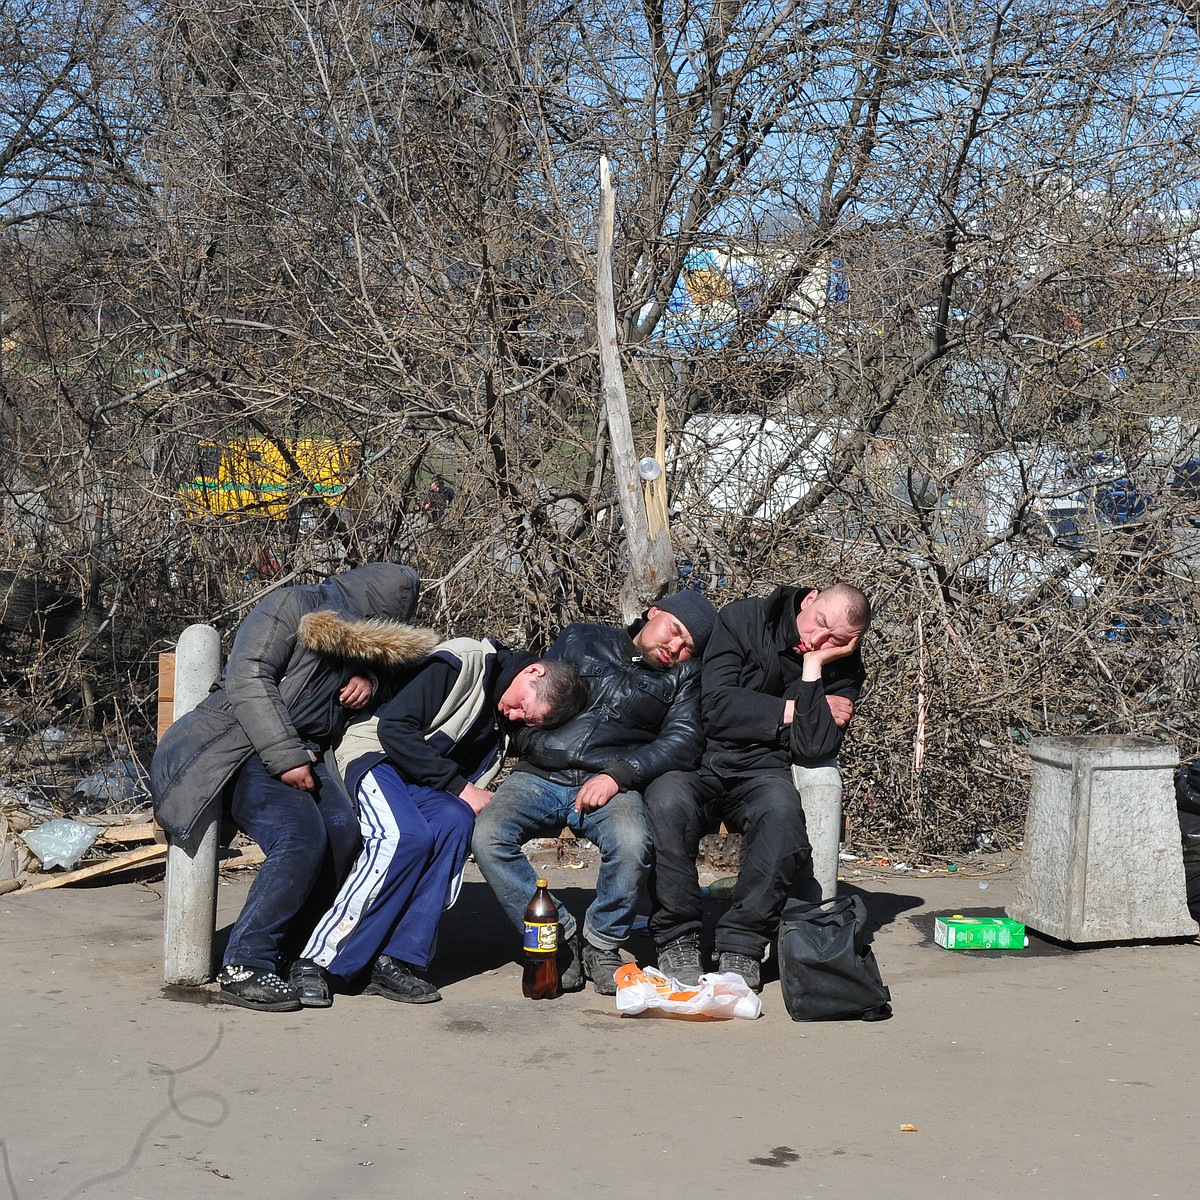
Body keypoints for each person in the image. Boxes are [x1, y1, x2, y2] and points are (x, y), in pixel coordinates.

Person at [150, 563, 438, 1012]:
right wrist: (284, 757)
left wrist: (372, 680)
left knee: (345, 831)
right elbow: (248, 677)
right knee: (301, 836)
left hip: (306, 752)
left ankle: (295, 951)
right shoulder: (292, 604)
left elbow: (389, 690)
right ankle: (246, 962)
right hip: (237, 747)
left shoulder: (365, 649)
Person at [295, 641, 586, 1005]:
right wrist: (461, 788)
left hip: (424, 784)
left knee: (456, 822)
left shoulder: (506, 716)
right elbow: (395, 730)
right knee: (403, 836)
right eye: (524, 708)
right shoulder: (464, 661)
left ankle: (396, 960)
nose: (516, 718)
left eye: (527, 720)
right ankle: (317, 959)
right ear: (533, 671)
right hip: (375, 755)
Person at [471, 590, 718, 995]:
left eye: (687, 646)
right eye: (674, 631)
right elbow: (529, 691)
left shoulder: (684, 677)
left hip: (611, 783)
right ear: (654, 613)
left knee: (633, 842)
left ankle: (602, 943)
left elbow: (684, 740)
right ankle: (558, 937)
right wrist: (536, 747)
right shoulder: (581, 638)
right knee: (487, 835)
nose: (675, 647)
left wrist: (619, 775)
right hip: (539, 775)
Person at [646, 582, 869, 991]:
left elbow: (815, 745)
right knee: (665, 803)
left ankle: (742, 945)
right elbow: (716, 708)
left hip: (764, 769)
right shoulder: (744, 619)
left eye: (833, 640)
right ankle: (677, 937)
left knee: (782, 816)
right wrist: (802, 708)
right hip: (700, 759)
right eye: (818, 623)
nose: (815, 639)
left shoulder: (844, 668)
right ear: (809, 599)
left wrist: (813, 668)